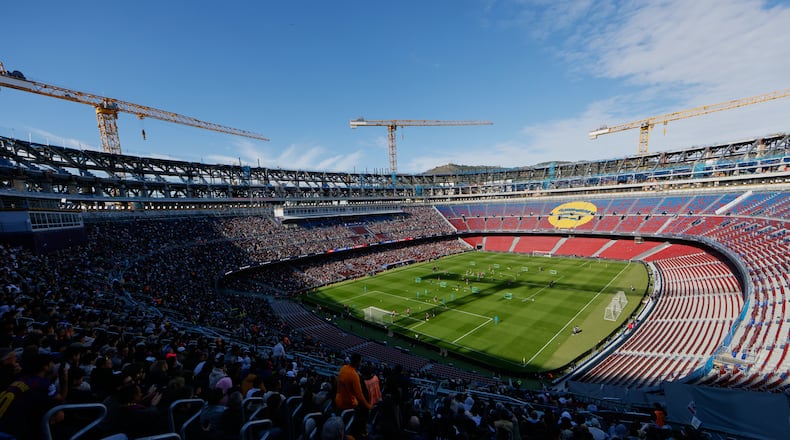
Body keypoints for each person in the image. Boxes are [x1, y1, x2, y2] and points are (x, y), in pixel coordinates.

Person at [335, 353, 371, 438]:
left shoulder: (343, 368)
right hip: (348, 407)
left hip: (338, 402)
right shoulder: (355, 376)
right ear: (357, 362)